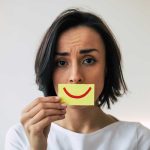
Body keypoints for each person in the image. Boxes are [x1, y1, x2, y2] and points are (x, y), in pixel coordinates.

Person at [5, 8, 150, 150]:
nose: (75, 77)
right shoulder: (21, 137)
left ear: (107, 67)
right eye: (61, 63)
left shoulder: (139, 139)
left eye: (88, 60)